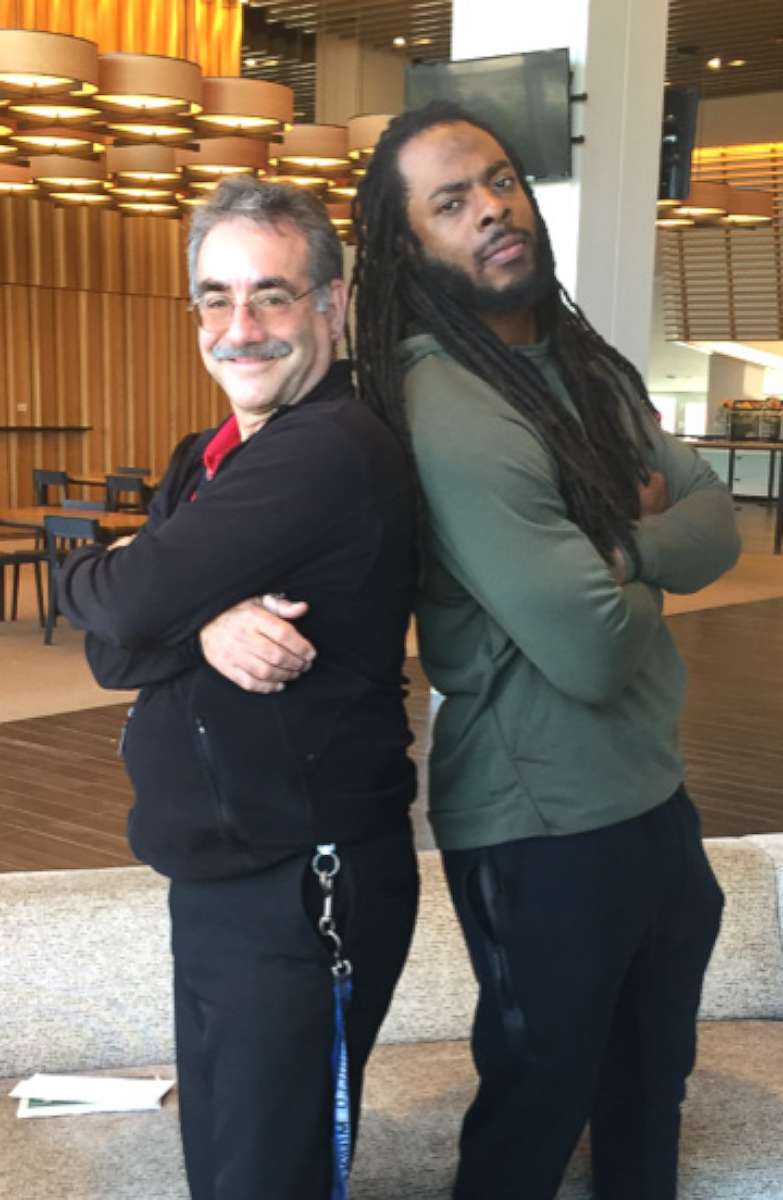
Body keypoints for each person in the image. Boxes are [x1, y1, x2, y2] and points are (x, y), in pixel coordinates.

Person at [345, 102, 741, 1199]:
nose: (491, 211)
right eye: (452, 202)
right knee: (536, 1108)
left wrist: (617, 545)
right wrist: (642, 555)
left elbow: (717, 524)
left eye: (501, 181)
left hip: (653, 800)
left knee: (650, 1092)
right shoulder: (450, 403)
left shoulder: (584, 361)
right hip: (539, 829)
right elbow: (591, 647)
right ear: (409, 244)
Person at [57, 175, 419, 1200]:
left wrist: (153, 597)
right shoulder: (202, 456)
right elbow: (113, 650)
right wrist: (205, 619)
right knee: (221, 1169)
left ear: (333, 307)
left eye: (273, 294)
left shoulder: (327, 450)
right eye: (216, 297)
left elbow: (122, 613)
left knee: (269, 1178)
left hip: (304, 887)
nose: (240, 326)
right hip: (217, 872)